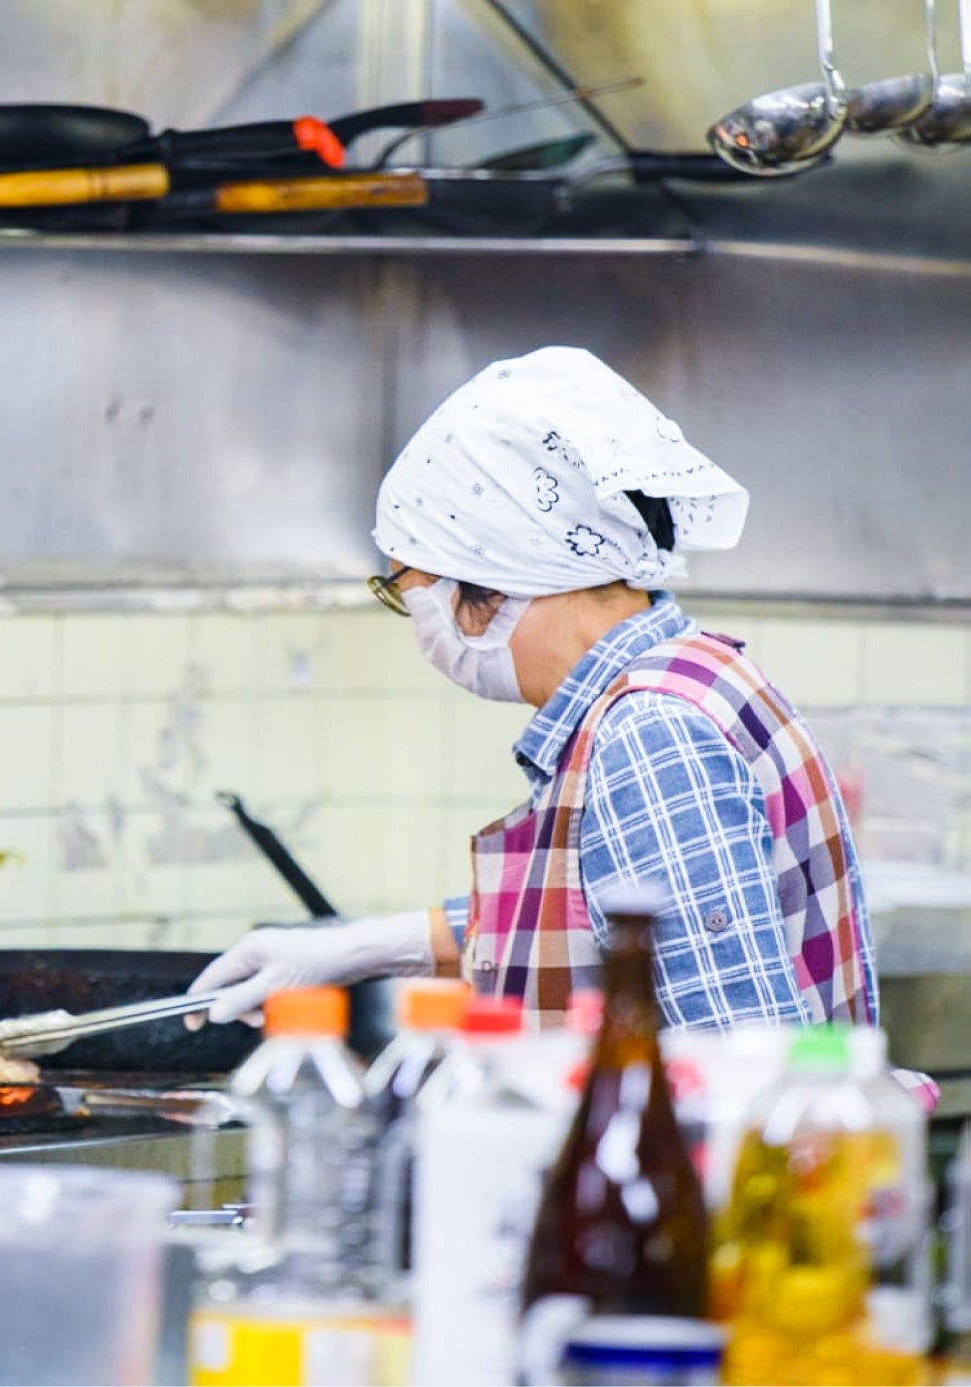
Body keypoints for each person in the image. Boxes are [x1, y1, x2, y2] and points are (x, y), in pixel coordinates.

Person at [192, 346, 875, 1031]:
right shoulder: (685, 675)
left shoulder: (650, 734)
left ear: (492, 575)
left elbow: (737, 1057)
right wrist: (366, 945)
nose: (417, 626)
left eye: (407, 588)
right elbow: (599, 913)